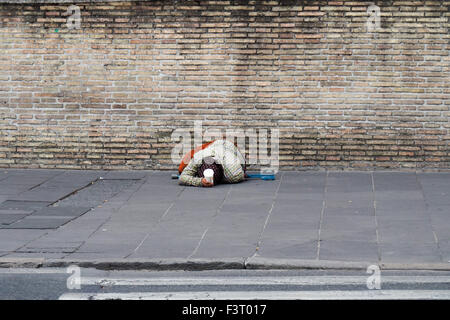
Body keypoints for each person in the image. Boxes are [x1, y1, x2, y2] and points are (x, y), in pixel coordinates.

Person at [178, 139, 246, 187]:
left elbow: (242, 172)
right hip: (212, 146)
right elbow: (182, 178)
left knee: (182, 168)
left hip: (229, 147)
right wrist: (200, 182)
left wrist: (197, 181)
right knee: (182, 168)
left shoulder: (233, 174)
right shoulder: (198, 157)